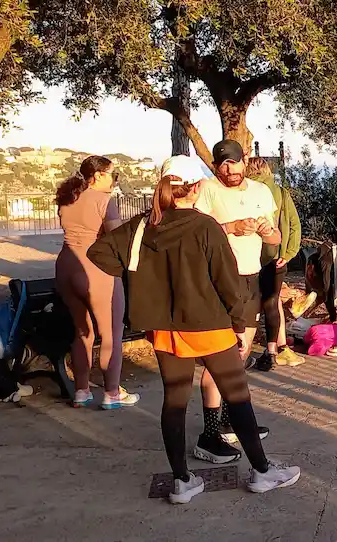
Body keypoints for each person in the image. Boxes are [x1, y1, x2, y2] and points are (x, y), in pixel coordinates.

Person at [87, 155, 300, 504]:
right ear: (198, 187)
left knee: (175, 401)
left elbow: (100, 253)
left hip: (164, 329)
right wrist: (237, 321)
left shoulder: (144, 225)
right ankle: (262, 471)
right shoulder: (204, 227)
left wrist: (143, 280)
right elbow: (228, 283)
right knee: (237, 395)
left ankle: (182, 481)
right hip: (209, 325)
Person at [191, 140, 277, 463]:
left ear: (245, 161)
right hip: (219, 281)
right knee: (218, 360)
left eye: (235, 163)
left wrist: (267, 231)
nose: (230, 170)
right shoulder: (208, 191)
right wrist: (231, 227)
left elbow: (276, 239)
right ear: (216, 166)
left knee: (239, 356)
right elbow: (196, 234)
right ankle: (209, 435)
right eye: (223, 164)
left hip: (251, 279)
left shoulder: (261, 192)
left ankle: (230, 423)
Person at [54, 155, 136, 409]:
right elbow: (116, 238)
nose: (115, 180)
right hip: (95, 268)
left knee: (82, 332)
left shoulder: (68, 198)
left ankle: (81, 391)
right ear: (98, 175)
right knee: (111, 334)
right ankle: (112, 392)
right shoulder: (103, 201)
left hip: (66, 265)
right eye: (113, 174)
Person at [245, 157, 305, 369]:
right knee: (272, 302)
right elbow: (295, 225)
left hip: (248, 257)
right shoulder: (280, 192)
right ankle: (272, 350)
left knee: (249, 303)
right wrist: (288, 254)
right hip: (276, 257)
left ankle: (242, 350)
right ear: (268, 170)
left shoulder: (245, 192)